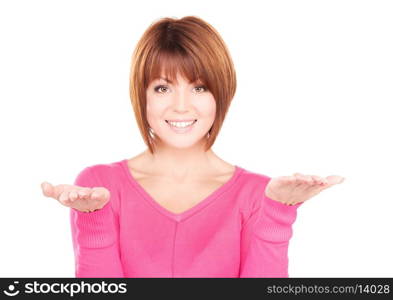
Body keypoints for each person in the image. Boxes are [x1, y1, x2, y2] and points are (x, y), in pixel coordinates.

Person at [41, 16, 345, 278]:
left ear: (221, 93)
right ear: (142, 95)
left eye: (199, 87)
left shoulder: (259, 194)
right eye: (163, 88)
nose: (181, 106)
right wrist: (93, 218)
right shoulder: (99, 187)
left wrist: (278, 214)